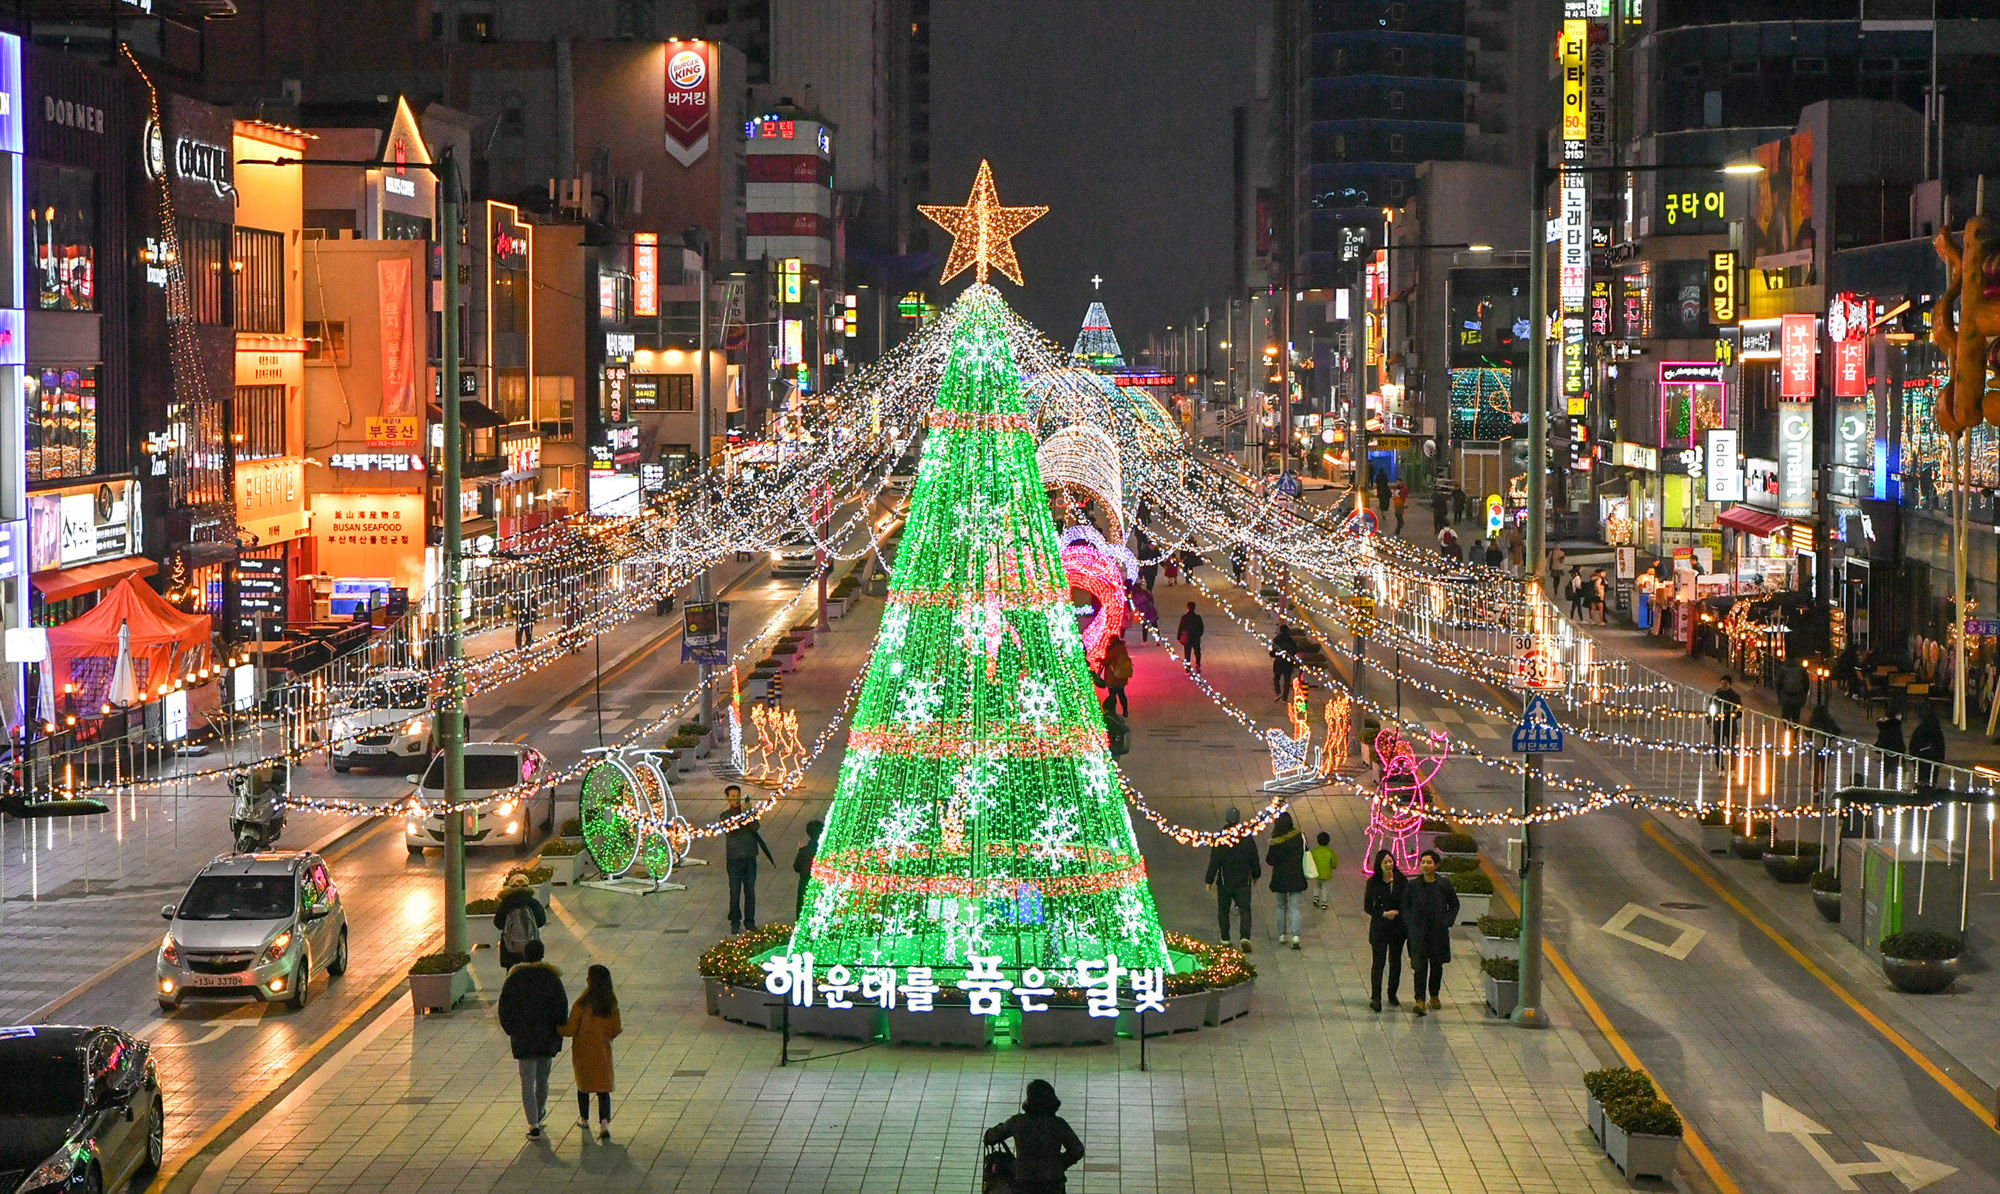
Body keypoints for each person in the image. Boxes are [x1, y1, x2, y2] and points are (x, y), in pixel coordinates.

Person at [496, 939, 568, 1139]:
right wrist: (559, 1029)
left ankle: (532, 1123)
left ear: (524, 956)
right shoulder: (552, 978)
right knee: (543, 1078)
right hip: (547, 1036)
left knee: (527, 1081)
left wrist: (511, 1029)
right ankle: (540, 1109)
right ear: (542, 954)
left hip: (523, 1037)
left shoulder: (514, 979)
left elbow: (504, 1008)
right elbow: (562, 1006)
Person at [984, 1080, 1084, 1194]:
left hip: (1024, 1182)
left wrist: (991, 1133)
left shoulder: (1018, 1122)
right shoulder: (1059, 1124)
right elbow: (1077, 1150)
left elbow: (991, 1137)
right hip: (1053, 1183)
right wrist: (1060, 1164)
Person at [560, 963, 622, 1142]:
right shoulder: (610, 1003)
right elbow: (615, 1029)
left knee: (583, 1085)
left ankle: (584, 1119)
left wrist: (559, 1029)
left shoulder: (582, 1004)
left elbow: (571, 1028)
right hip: (602, 1051)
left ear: (590, 981)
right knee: (603, 1088)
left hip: (583, 1051)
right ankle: (604, 1123)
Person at [1401, 850, 1460, 1015]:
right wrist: (1410, 924)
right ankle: (1419, 999)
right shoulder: (1412, 885)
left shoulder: (1444, 885)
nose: (1425, 866)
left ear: (1436, 865)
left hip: (1437, 933)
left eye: (1429, 862)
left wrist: (1446, 922)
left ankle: (1434, 994)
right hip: (1418, 933)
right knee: (1419, 967)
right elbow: (1405, 906)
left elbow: (1454, 905)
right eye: (1423, 862)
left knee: (1436, 966)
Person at [1203, 807, 1260, 951]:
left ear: (1226, 819)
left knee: (1223, 910)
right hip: (1243, 881)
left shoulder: (1221, 838)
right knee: (1245, 910)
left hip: (1225, 881)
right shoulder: (1247, 837)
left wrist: (1209, 880)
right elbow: (1254, 857)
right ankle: (1245, 936)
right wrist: (1256, 874)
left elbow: (1214, 861)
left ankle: (1225, 937)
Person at [722, 785, 774, 933]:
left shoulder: (749, 812)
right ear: (727, 798)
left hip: (750, 857)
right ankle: (735, 921)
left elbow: (755, 827)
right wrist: (744, 816)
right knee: (735, 891)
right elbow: (732, 827)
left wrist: (749, 814)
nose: (736, 800)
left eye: (737, 796)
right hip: (734, 859)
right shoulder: (725, 815)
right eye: (732, 796)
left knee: (750, 891)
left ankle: (750, 921)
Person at [1363, 850, 1407, 1012]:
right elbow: (1368, 907)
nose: (1389, 865)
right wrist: (1383, 914)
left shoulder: (1401, 881)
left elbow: (1407, 903)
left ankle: (1392, 992)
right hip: (1380, 928)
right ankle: (1376, 997)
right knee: (1378, 963)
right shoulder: (1373, 882)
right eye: (1385, 862)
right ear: (1379, 865)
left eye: (1391, 861)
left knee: (1395, 961)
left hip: (1397, 928)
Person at [1265, 811, 1307, 949]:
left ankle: (1282, 935)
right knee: (1295, 908)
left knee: (1281, 906)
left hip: (1281, 878)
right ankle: (1295, 936)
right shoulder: (1299, 836)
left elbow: (1270, 861)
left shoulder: (1276, 841)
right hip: (1296, 876)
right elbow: (1306, 851)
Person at [495, 872, 547, 970]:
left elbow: (498, 923)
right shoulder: (533, 903)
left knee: (513, 975)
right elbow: (541, 921)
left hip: (510, 949)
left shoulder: (505, 903)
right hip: (531, 947)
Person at [1909, 706, 1946, 788]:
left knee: (1921, 780)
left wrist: (1913, 754)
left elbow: (1914, 743)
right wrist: (1940, 759)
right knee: (1931, 780)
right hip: (1933, 758)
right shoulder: (1936, 728)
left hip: (1921, 757)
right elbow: (1940, 745)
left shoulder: (1921, 727)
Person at [793, 819, 823, 917]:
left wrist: (799, 852)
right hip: (820, 883)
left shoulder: (804, 851)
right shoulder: (825, 851)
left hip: (805, 882)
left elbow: (797, 867)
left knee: (803, 907)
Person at [1711, 677, 1742, 770]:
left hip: (1730, 723)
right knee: (1718, 746)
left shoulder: (1735, 696)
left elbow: (1739, 710)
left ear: (1729, 684)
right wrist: (1710, 721)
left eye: (1725, 683)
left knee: (1732, 747)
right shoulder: (1715, 696)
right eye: (1722, 683)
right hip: (1718, 723)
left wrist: (1733, 715)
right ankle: (1720, 768)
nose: (1723, 685)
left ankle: (1732, 769)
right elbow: (1710, 708)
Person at [1100, 636, 1134, 716]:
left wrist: (1101, 661)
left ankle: (1113, 711)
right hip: (1122, 675)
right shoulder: (1122, 648)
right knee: (1121, 693)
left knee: (1112, 695)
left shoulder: (1112, 650)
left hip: (1113, 676)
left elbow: (1107, 661)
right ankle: (1125, 710)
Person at [1775, 658, 1811, 724]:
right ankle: (1794, 733)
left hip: (1785, 698)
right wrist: (1803, 696)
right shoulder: (1801, 669)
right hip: (1798, 698)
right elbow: (1806, 683)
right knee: (1796, 718)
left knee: (1785, 717)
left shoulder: (1782, 669)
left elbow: (1778, 684)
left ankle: (1787, 731)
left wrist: (1780, 696)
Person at [1309, 832, 1337, 909]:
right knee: (1325, 888)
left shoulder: (1315, 851)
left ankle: (1315, 897)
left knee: (1317, 885)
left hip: (1317, 873)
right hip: (1327, 875)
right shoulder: (1330, 852)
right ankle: (1324, 903)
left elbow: (1311, 861)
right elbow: (1334, 864)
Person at [1270, 625, 1298, 700]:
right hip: (1288, 663)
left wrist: (1273, 654)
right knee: (1287, 680)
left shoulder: (1277, 640)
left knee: (1276, 678)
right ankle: (1285, 696)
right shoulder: (1291, 641)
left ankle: (1278, 692)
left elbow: (1273, 652)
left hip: (1279, 662)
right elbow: (1295, 651)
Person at [1176, 602, 1205, 672]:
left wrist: (1178, 637)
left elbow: (1181, 628)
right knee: (1197, 651)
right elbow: (1201, 628)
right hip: (1196, 637)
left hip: (1187, 637)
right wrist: (1198, 635)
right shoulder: (1198, 617)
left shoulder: (1184, 617)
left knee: (1187, 653)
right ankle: (1198, 664)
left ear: (1187, 608)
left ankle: (1188, 668)